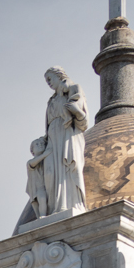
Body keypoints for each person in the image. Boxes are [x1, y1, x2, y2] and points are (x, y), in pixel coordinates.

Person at [41, 68, 89, 218]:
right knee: (51, 172)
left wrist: (76, 111)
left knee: (67, 166)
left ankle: (69, 203)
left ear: (59, 75)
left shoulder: (73, 89)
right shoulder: (52, 100)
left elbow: (83, 119)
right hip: (53, 138)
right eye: (46, 80)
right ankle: (55, 206)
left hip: (67, 132)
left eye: (50, 79)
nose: (48, 83)